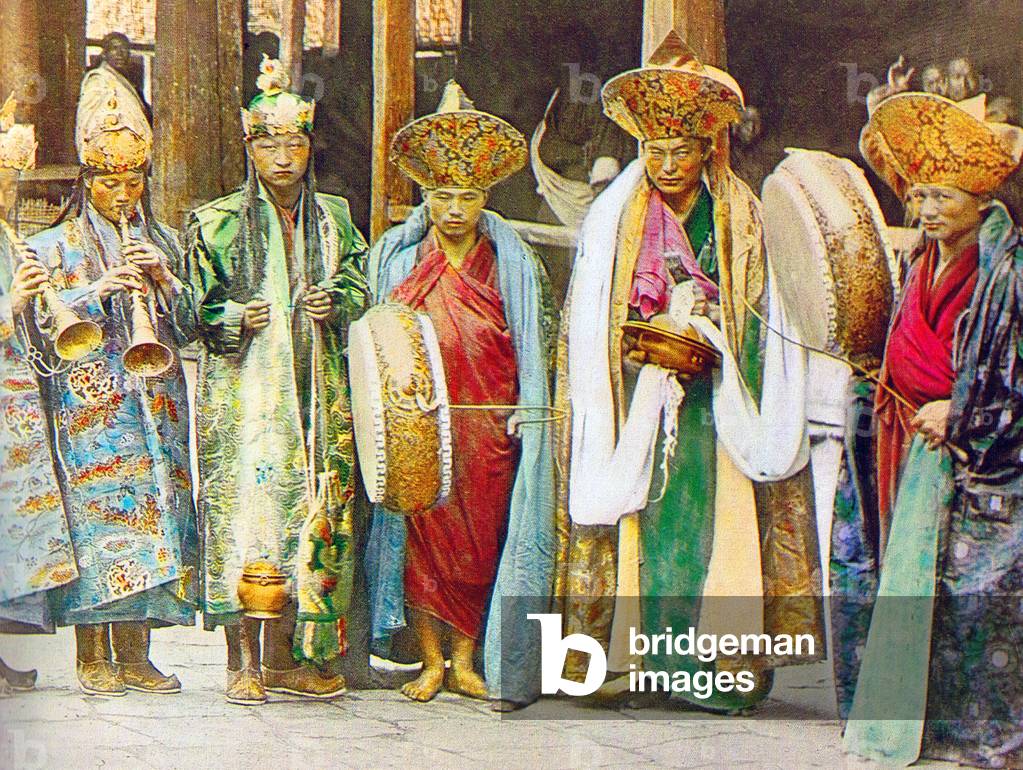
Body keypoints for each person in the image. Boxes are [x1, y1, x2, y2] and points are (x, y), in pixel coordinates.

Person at [553, 31, 823, 712]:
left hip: (716, 400)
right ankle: (631, 663)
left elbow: (766, 308)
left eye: (680, 151)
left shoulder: (738, 215)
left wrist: (715, 332)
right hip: (638, 393)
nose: (666, 164)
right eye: (654, 150)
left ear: (706, 150)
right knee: (640, 522)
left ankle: (713, 673)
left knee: (716, 524)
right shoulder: (616, 220)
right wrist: (629, 346)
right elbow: (587, 316)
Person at [844, 87, 1023, 768]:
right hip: (908, 438)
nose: (924, 211)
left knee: (975, 598)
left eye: (941, 198)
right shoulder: (920, 261)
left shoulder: (1004, 270)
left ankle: (986, 736)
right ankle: (925, 726)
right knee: (911, 583)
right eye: (917, 197)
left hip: (973, 452)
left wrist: (963, 410)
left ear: (979, 203)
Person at [365, 81, 556, 709]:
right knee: (419, 535)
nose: (454, 209)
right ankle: (428, 659)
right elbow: (379, 341)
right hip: (419, 419)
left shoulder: (510, 260)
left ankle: (467, 658)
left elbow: (528, 340)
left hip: (488, 421)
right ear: (426, 195)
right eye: (443, 195)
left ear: (485, 198)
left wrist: (527, 411)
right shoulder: (399, 257)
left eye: (468, 196)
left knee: (481, 539)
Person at [185, 57, 369, 706]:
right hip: (247, 400)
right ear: (249, 147)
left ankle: (291, 658)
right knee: (248, 520)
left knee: (309, 518)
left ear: (309, 146)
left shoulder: (335, 220)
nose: (283, 157)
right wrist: (233, 315)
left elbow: (358, 285)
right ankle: (243, 663)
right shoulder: (217, 222)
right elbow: (192, 308)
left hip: (316, 391)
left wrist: (337, 301)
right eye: (268, 142)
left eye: (294, 143)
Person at [26, 67, 196, 698]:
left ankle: (138, 648)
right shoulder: (49, 247)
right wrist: (96, 291)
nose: (124, 193)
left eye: (134, 180)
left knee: (158, 512)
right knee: (97, 521)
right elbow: (40, 331)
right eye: (110, 181)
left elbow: (194, 325)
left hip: (155, 402)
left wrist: (166, 282)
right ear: (87, 180)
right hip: (89, 408)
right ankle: (92, 650)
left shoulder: (166, 242)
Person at [0, 96, 77, 696]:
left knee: (11, 527)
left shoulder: (5, 236)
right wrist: (14, 306)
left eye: (11, 179)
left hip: (13, 396)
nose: (9, 191)